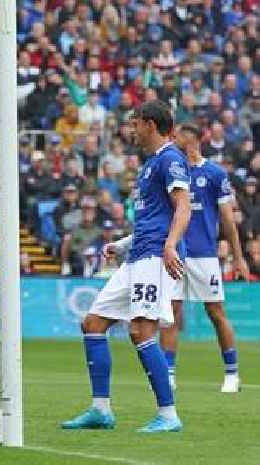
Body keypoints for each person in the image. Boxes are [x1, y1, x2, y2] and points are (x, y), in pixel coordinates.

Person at [61, 100, 191, 433]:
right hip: (137, 255)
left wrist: (171, 245)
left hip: (155, 258)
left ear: (149, 124)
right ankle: (100, 410)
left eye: (134, 124)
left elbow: (183, 208)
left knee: (140, 331)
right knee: (92, 323)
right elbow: (152, 219)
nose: (130, 130)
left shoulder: (171, 159)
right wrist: (121, 245)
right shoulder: (151, 165)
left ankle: (168, 415)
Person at [159, 123, 251, 393]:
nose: (175, 141)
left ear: (194, 141)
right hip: (176, 251)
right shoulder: (172, 171)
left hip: (204, 256)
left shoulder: (214, 173)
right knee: (172, 312)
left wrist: (238, 256)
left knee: (215, 312)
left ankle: (232, 374)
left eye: (180, 138)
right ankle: (169, 374)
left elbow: (227, 220)